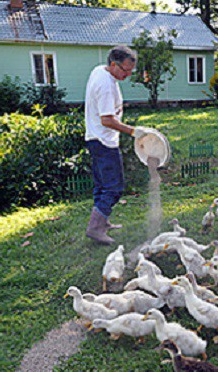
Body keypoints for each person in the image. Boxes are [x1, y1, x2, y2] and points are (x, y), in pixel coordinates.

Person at [84, 45, 149, 244]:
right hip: (104, 141)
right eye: (125, 70)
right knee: (114, 188)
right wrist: (133, 131)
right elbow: (107, 120)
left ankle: (102, 222)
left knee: (102, 185)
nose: (128, 75)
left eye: (131, 70)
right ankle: (95, 228)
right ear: (113, 64)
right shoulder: (105, 85)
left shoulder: (100, 71)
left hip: (95, 138)